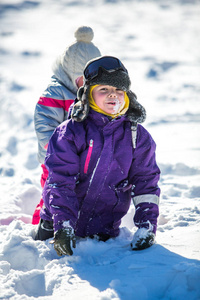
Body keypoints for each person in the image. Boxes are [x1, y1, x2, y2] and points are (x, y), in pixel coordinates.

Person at [35, 55, 161, 257]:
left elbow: (146, 182)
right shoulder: (70, 132)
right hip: (56, 228)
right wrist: (63, 225)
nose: (113, 95)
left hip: (104, 232)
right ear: (88, 95)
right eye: (104, 89)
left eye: (119, 90)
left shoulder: (137, 136)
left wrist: (147, 226)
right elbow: (59, 180)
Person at [32, 26, 101, 225]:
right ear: (71, 73)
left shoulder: (91, 95)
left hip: (81, 160)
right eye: (83, 79)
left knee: (78, 195)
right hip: (54, 159)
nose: (87, 85)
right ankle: (40, 224)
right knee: (52, 194)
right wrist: (59, 152)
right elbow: (44, 126)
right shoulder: (56, 93)